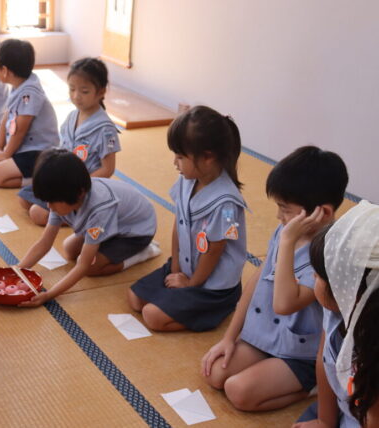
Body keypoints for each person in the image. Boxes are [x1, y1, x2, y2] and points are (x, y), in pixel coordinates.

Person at [201, 146, 349, 411]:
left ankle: (313, 386)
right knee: (215, 374)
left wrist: (288, 241)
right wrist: (229, 337)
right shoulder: (286, 230)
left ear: (323, 213)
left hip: (300, 352)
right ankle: (269, 371)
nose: (279, 216)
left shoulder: (328, 252)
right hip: (266, 334)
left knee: (239, 392)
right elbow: (258, 280)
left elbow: (285, 303)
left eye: (285, 209)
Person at [128, 106, 246, 332]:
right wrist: (175, 268)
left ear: (208, 157)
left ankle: (222, 305)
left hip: (211, 284)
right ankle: (183, 295)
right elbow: (178, 223)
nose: (175, 162)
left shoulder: (226, 202)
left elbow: (214, 250)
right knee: (135, 299)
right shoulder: (187, 178)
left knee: (151, 316)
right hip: (187, 265)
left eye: (180, 156)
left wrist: (191, 284)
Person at [17, 149, 160, 307]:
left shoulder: (99, 210)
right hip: (115, 223)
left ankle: (145, 252)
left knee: (91, 267)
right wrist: (19, 269)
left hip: (135, 232)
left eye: (53, 201)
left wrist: (48, 295)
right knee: (69, 248)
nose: (49, 206)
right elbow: (44, 242)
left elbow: (83, 265)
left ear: (79, 194)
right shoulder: (61, 197)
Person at [293, 201, 379, 428]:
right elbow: (325, 361)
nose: (312, 279)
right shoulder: (337, 309)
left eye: (320, 276)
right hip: (344, 409)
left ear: (351, 290)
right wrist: (324, 420)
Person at [18, 57, 120, 225]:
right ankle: (66, 211)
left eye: (84, 91)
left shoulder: (105, 129)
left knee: (37, 213)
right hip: (64, 182)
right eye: (72, 89)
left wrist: (80, 185)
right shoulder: (72, 116)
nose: (76, 96)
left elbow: (108, 169)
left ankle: (82, 216)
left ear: (101, 92)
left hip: (83, 189)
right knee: (24, 198)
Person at [0, 39, 58, 188]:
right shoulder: (18, 85)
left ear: (5, 71)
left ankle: (40, 179)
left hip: (39, 151)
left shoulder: (30, 93)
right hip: (23, 147)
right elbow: (6, 117)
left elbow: (21, 130)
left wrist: (6, 154)